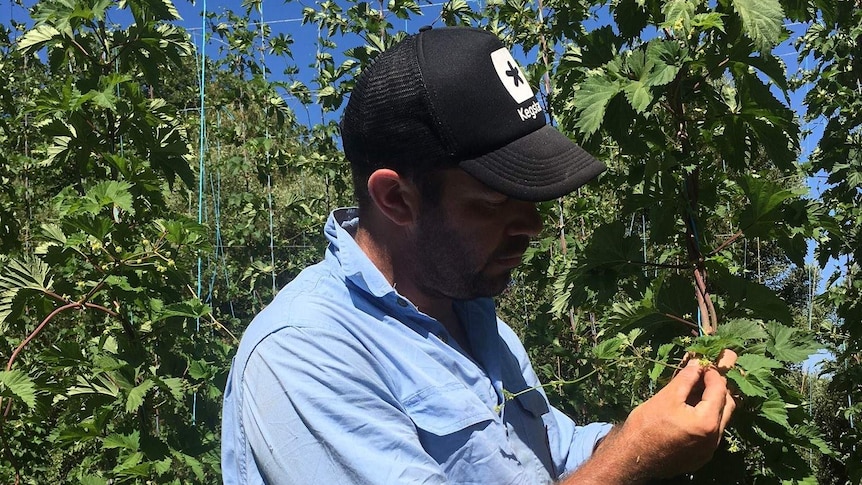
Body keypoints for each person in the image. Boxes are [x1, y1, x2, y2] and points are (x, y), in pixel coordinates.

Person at [221, 26, 737, 484]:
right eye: (494, 202)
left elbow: (554, 457)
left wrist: (655, 425)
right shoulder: (306, 353)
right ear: (396, 198)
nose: (532, 227)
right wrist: (634, 458)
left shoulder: (477, 323)